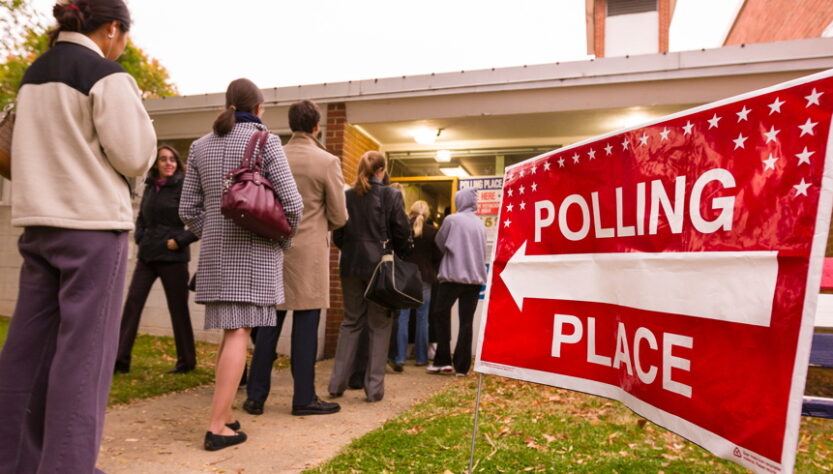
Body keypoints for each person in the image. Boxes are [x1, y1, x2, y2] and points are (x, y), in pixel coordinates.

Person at [0, 1, 156, 471]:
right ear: (112, 28)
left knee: (26, 353)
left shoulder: (33, 77)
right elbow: (133, 156)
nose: (123, 45)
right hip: (91, 228)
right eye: (124, 36)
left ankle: (14, 460)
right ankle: (68, 464)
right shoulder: (104, 75)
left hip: (39, 225)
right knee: (83, 361)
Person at [179, 78, 303, 451]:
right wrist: (281, 239)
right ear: (259, 108)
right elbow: (293, 205)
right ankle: (217, 426)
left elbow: (187, 210)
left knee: (230, 332)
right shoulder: (267, 142)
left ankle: (226, 412)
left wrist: (214, 230)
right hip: (253, 254)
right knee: (239, 333)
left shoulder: (200, 146)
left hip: (216, 256)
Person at [244, 100, 347, 416]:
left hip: (273, 249)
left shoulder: (271, 157)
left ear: (291, 124)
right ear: (317, 125)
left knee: (268, 328)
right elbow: (340, 215)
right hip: (309, 255)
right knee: (305, 330)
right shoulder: (327, 161)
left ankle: (255, 397)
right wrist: (319, 224)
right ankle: (303, 398)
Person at [327, 151, 411, 402]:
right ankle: (373, 389)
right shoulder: (391, 195)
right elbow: (402, 232)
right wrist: (401, 254)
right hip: (380, 267)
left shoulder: (348, 196)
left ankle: (336, 383)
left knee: (350, 322)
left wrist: (353, 249)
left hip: (351, 265)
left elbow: (338, 234)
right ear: (381, 171)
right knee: (379, 326)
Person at [115, 146, 198, 375]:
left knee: (178, 309)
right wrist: (140, 236)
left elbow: (203, 219)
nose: (168, 163)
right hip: (148, 256)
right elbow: (142, 216)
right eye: (163, 159)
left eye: (172, 159)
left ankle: (186, 362)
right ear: (156, 164)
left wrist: (180, 241)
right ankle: (120, 360)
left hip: (173, 258)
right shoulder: (150, 186)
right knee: (133, 304)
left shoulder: (184, 186)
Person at [427, 187, 487, 376]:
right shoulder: (479, 224)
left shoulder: (452, 220)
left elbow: (439, 241)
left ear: (459, 200)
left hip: (453, 276)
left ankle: (443, 360)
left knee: (440, 314)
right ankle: (462, 367)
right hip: (475, 279)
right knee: (466, 321)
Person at [393, 201, 442, 369]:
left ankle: (400, 357)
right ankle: (421, 358)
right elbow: (438, 256)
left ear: (411, 211)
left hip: (405, 277)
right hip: (425, 277)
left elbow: (397, 251)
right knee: (423, 318)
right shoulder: (433, 232)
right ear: (427, 214)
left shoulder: (403, 229)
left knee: (403, 317)